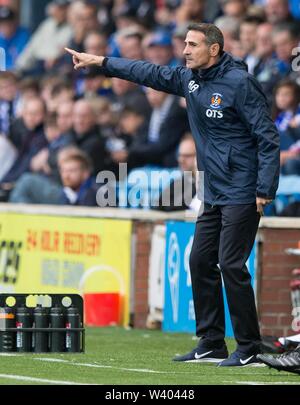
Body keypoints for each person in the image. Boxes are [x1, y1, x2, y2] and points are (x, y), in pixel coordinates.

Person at [66, 22, 280, 367]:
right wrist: (103, 62)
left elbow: (268, 138)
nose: (185, 50)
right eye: (184, 43)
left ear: (214, 49)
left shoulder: (240, 84)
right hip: (213, 188)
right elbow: (146, 71)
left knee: (231, 264)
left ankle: (250, 346)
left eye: (192, 44)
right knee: (198, 260)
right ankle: (211, 341)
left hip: (243, 188)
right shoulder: (189, 79)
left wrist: (264, 189)